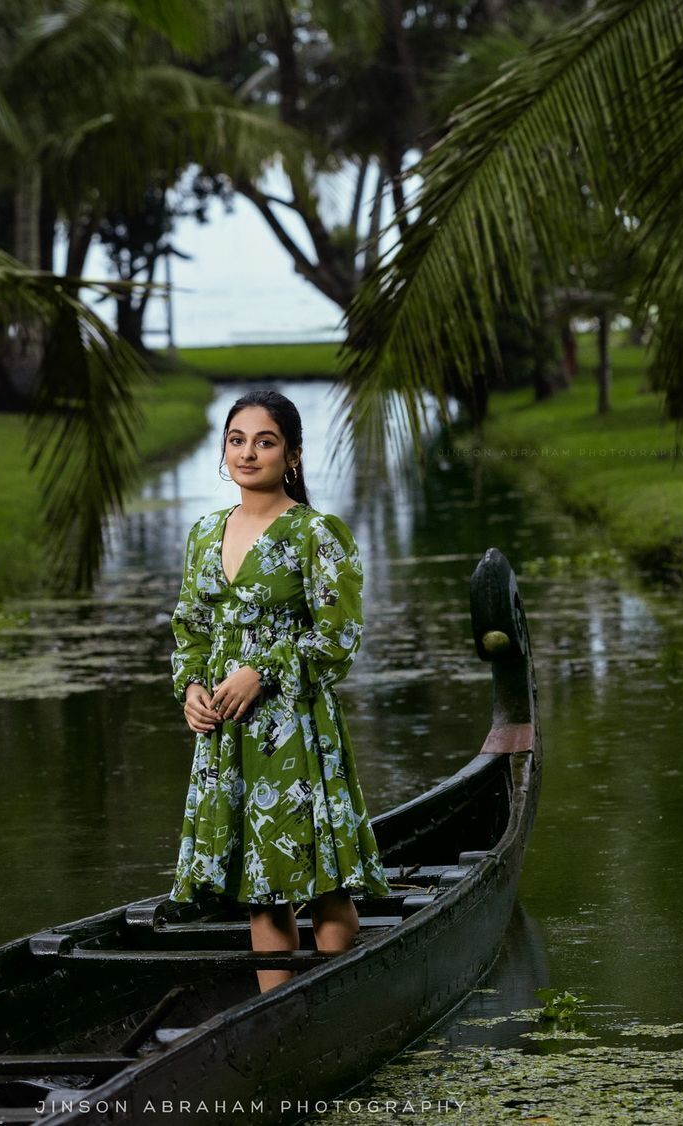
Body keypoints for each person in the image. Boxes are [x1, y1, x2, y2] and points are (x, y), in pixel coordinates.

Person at [168, 389, 390, 992]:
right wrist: (191, 685)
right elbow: (191, 626)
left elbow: (339, 638)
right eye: (236, 440)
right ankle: (279, 1018)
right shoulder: (204, 533)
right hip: (228, 733)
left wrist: (263, 669)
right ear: (224, 451)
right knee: (260, 893)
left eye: (264, 442)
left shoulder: (317, 532)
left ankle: (334, 1001)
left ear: (291, 455)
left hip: (295, 728)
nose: (248, 453)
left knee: (322, 882)